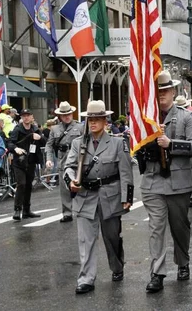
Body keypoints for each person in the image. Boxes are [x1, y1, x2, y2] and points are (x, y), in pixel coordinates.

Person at [139, 70, 192, 294]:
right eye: (158, 92)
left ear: (173, 91)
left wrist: (171, 144)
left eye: (165, 90)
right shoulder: (146, 119)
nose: (162, 95)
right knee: (156, 227)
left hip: (178, 181)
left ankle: (183, 261)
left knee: (179, 226)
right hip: (153, 180)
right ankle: (157, 273)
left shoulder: (187, 117)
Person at [64, 100, 133, 294]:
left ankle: (117, 266)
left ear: (105, 121)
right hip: (85, 196)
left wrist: (126, 197)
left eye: (96, 119)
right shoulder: (78, 143)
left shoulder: (118, 143)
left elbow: (125, 172)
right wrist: (71, 181)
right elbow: (68, 167)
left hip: (110, 195)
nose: (92, 123)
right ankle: (86, 278)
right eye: (89, 119)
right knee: (86, 240)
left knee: (112, 237)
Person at [45, 102, 83, 223]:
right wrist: (49, 159)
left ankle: (82, 210)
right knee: (64, 189)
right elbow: (49, 145)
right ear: (60, 116)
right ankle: (67, 213)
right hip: (63, 160)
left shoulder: (80, 127)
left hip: (78, 161)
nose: (67, 116)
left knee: (80, 186)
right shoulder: (55, 129)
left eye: (69, 114)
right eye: (65, 114)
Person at [7, 109, 46, 221]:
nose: (26, 118)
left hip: (31, 161)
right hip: (19, 161)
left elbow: (45, 142)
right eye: (23, 116)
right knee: (21, 184)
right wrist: (15, 148)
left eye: (28, 115)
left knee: (28, 185)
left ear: (32, 117)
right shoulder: (17, 129)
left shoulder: (35, 129)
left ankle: (26, 210)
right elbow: (9, 142)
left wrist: (40, 138)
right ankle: (17, 209)